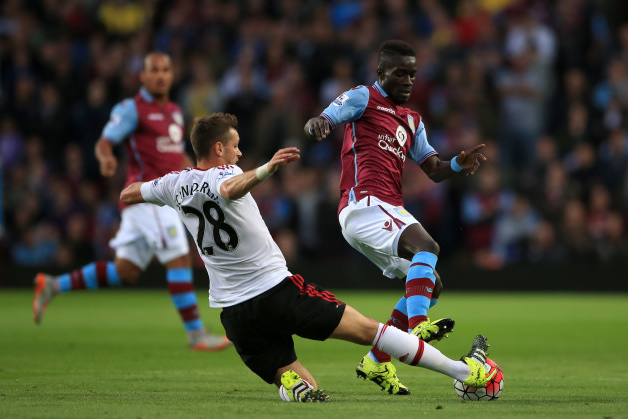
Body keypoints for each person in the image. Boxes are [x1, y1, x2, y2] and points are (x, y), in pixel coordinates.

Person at [119, 112, 496, 402]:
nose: (238, 150)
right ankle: (463, 372)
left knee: (305, 384)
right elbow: (229, 187)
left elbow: (128, 194)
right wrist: (266, 168)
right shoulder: (227, 171)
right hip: (276, 292)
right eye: (234, 145)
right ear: (218, 149)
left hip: (234, 314)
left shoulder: (173, 183)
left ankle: (290, 387)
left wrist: (150, 180)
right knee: (371, 331)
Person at [304, 40, 487, 395]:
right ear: (381, 73)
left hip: (386, 210)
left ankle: (377, 360)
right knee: (428, 245)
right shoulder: (363, 98)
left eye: (413, 74)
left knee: (432, 283)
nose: (407, 80)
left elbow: (432, 169)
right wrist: (317, 124)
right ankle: (418, 328)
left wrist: (456, 164)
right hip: (364, 205)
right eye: (400, 73)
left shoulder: (413, 121)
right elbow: (325, 117)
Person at [32, 52, 230, 352]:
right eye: (154, 70)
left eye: (166, 69)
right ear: (143, 76)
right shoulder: (131, 109)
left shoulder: (175, 111)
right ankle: (196, 334)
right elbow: (105, 141)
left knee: (126, 271)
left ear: (172, 75)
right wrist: (106, 157)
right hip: (147, 197)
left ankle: (53, 285)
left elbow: (176, 155)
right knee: (178, 257)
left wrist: (202, 174)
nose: (161, 75)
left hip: (162, 197)